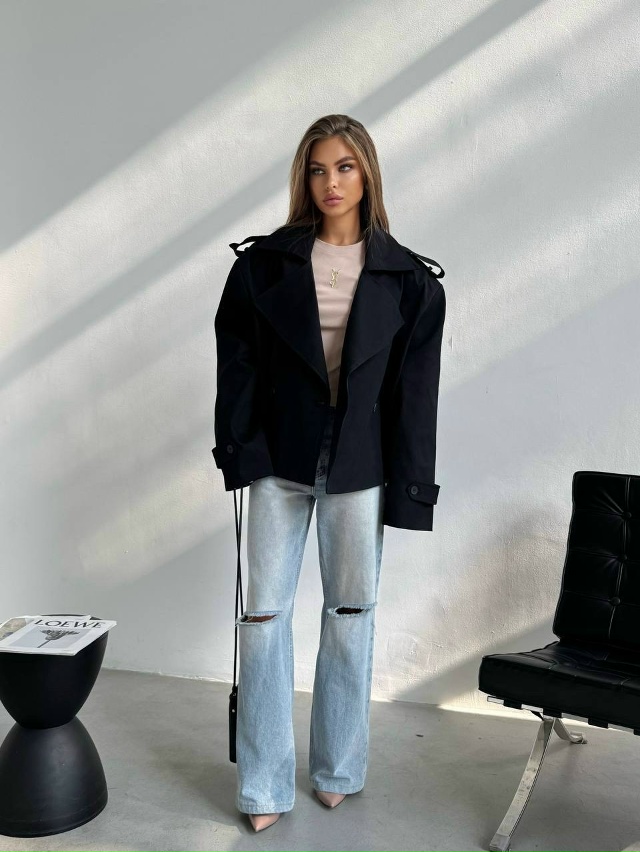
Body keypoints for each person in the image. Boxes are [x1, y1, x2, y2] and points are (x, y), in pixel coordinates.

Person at [212, 113, 446, 832]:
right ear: (303, 178)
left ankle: (338, 768)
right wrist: (241, 452)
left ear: (367, 173)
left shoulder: (411, 282)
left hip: (359, 466)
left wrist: (410, 490)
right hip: (277, 462)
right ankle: (263, 787)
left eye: (345, 167)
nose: (331, 182)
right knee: (261, 620)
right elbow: (237, 366)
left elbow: (415, 396)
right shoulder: (262, 267)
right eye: (318, 169)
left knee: (350, 617)